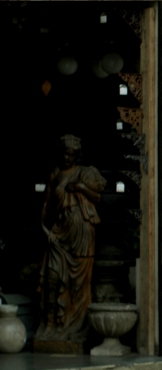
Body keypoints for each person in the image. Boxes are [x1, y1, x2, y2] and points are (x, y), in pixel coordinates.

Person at [37, 134, 106, 343]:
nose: (68, 158)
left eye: (72, 155)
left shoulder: (85, 173)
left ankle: (75, 328)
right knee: (51, 279)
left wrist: (81, 188)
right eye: (65, 154)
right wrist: (46, 230)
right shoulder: (55, 174)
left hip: (82, 232)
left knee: (79, 285)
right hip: (59, 232)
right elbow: (46, 207)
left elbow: (98, 197)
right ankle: (50, 325)